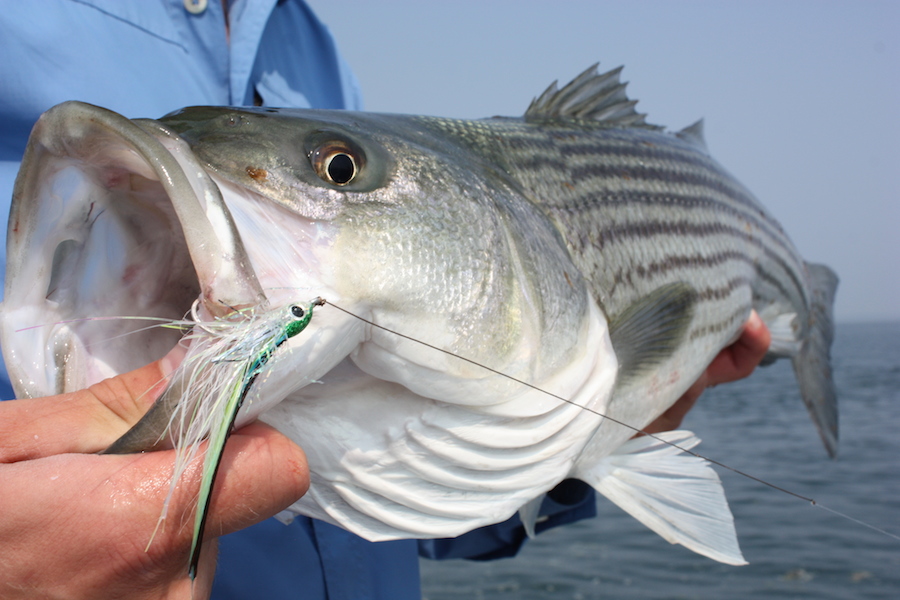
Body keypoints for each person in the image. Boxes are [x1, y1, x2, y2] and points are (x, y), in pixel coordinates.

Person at [0, 2, 772, 598]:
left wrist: (582, 442)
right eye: (340, 165)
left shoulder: (306, 38)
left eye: (340, 167)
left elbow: (389, 494)